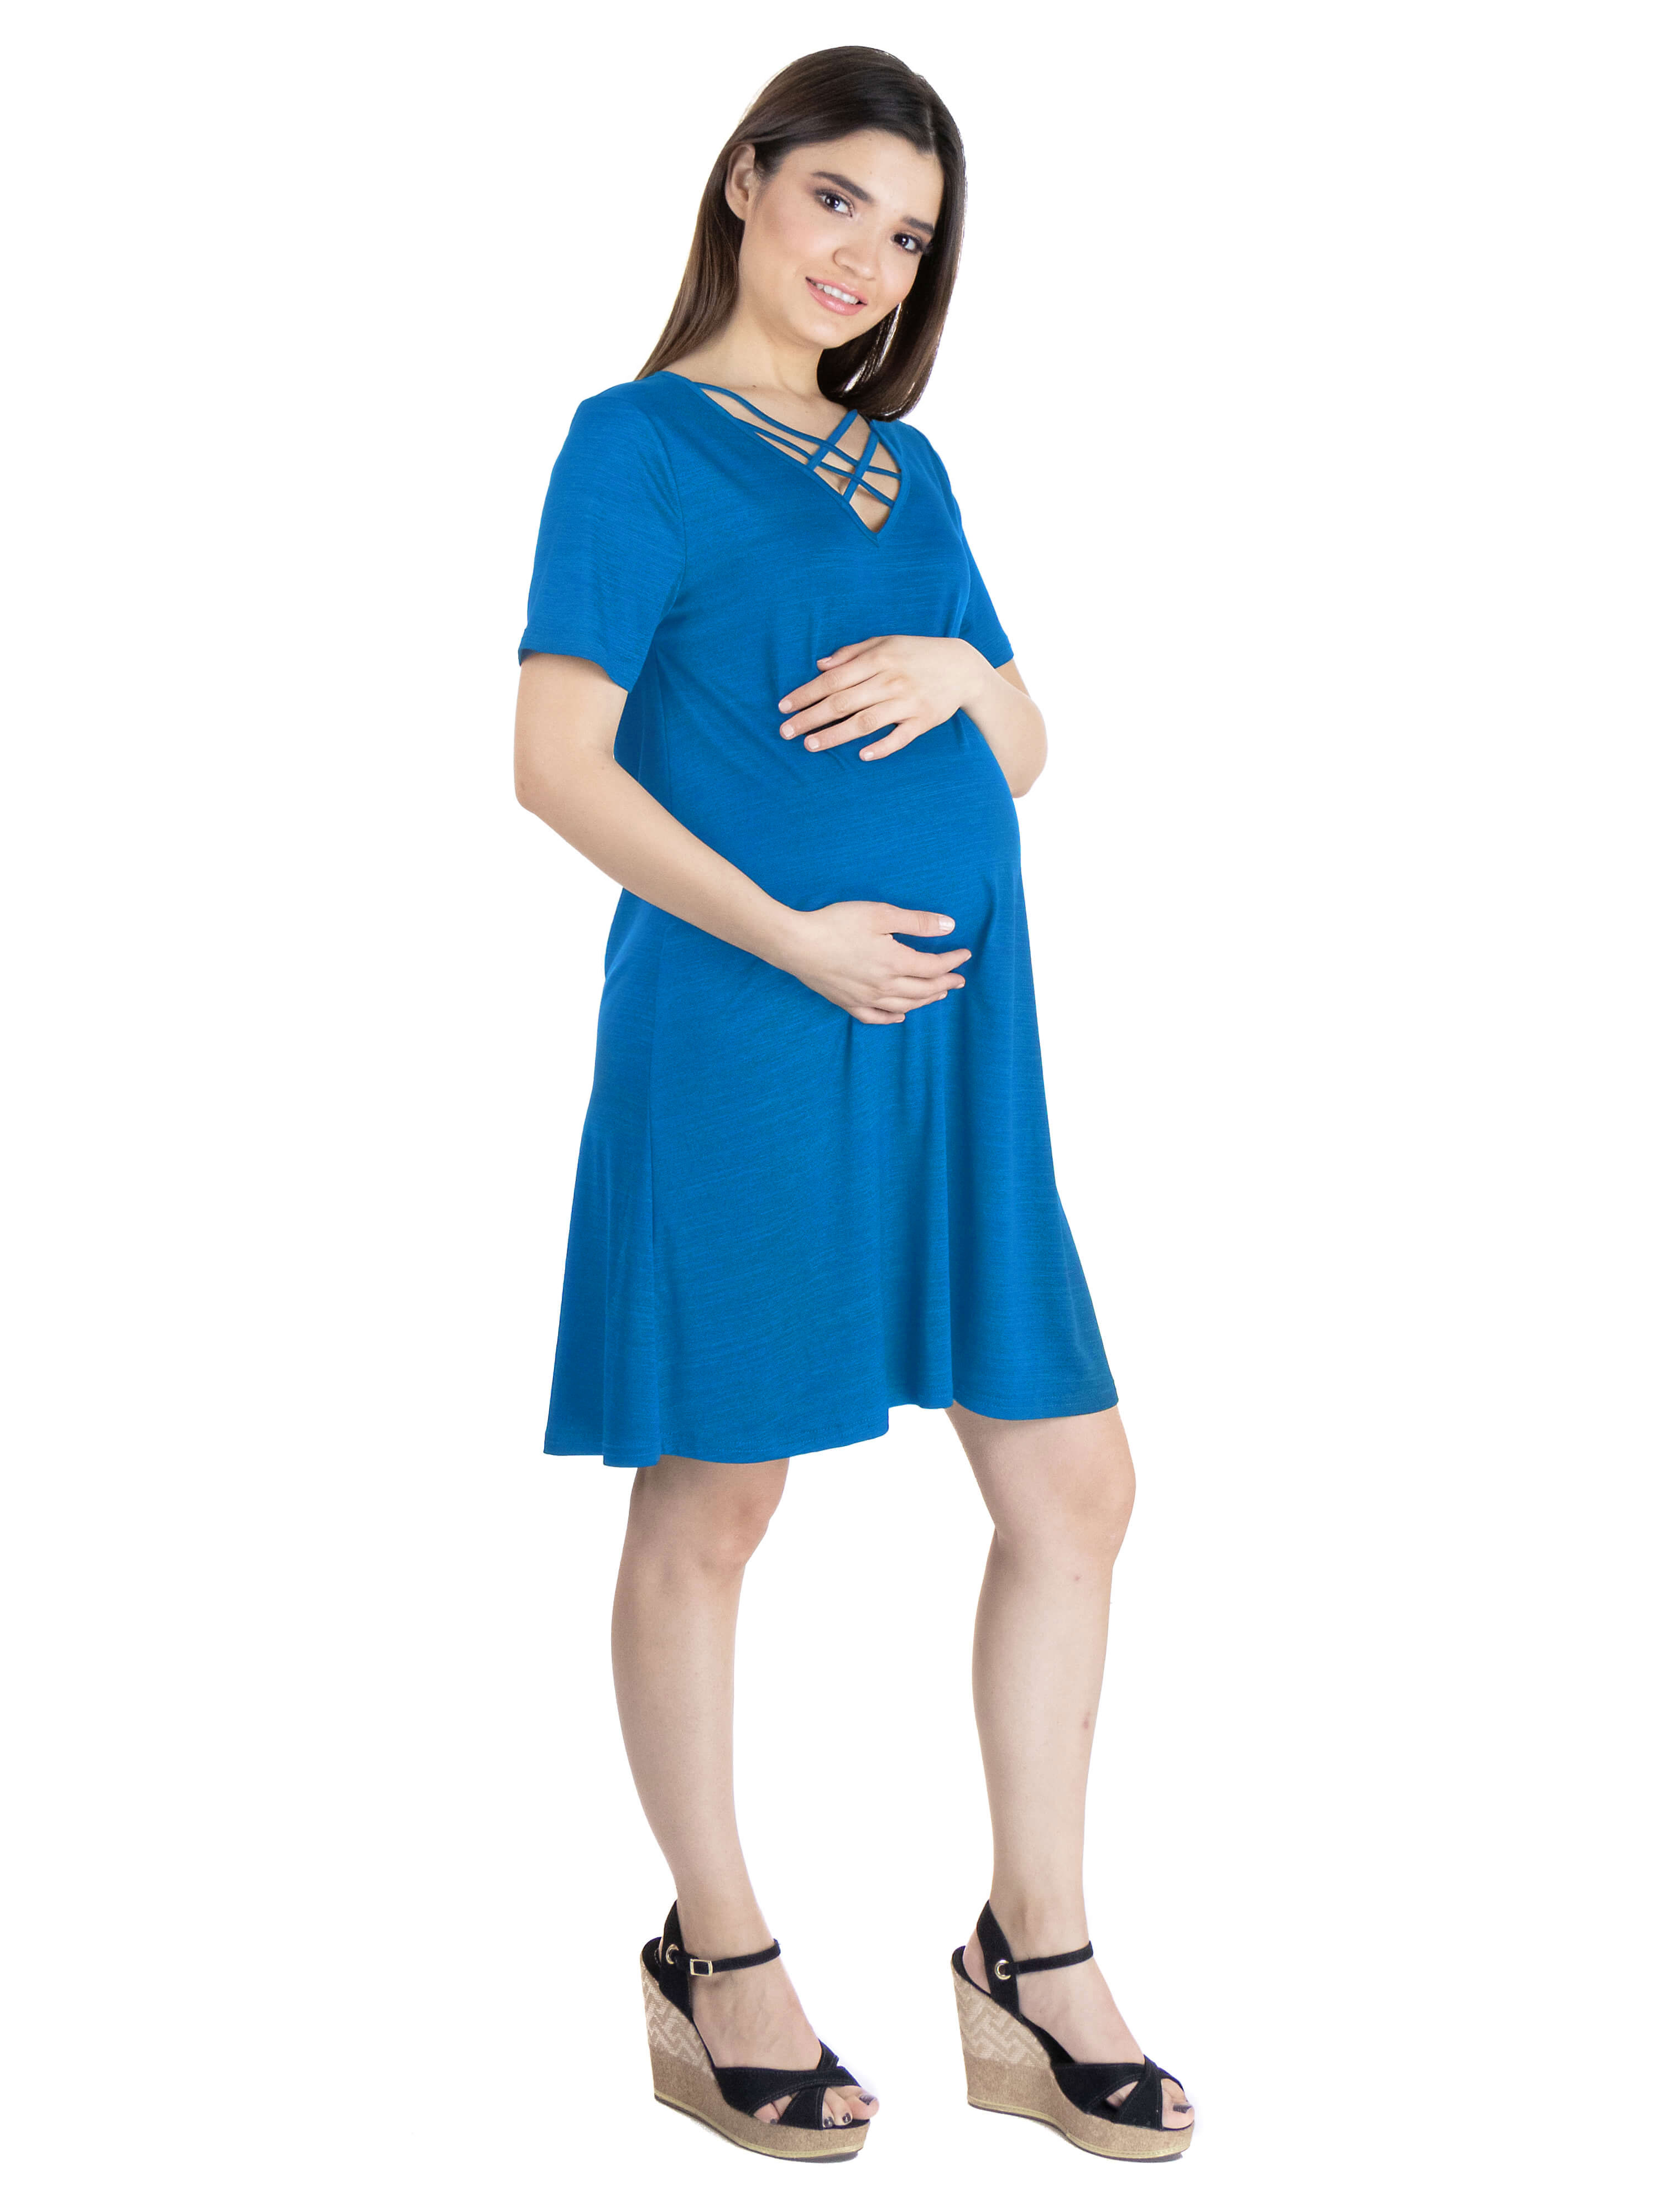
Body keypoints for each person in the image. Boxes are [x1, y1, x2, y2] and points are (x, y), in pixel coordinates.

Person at [512, 45, 1195, 2165]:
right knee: (718, 1506)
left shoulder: (910, 470)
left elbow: (1030, 745)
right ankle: (714, 1956)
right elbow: (553, 764)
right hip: (746, 1032)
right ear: (746, 183)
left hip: (958, 1056)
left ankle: (1035, 1956)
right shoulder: (631, 445)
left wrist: (969, 680)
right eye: (838, 204)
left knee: (1075, 1485)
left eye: (906, 236)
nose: (866, 262)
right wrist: (796, 938)